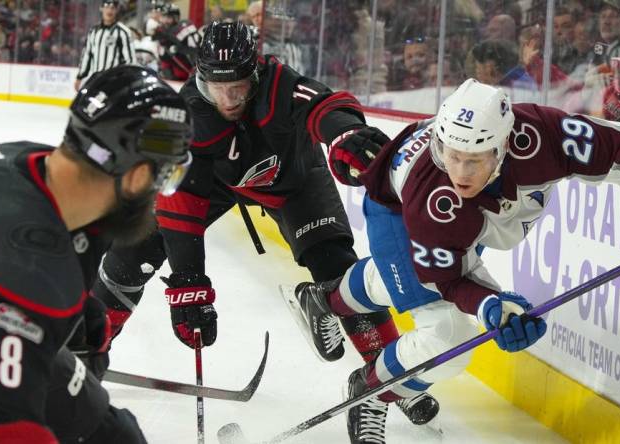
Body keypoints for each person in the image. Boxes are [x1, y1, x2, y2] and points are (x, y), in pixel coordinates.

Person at [286, 79, 620, 444]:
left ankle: (327, 300)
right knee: (448, 336)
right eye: (451, 154)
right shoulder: (436, 196)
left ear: (505, 145)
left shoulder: (544, 134)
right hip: (396, 209)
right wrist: (493, 307)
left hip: (474, 217)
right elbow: (448, 280)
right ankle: (372, 391)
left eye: (474, 158)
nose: (460, 172)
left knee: (403, 278)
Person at [91, 21, 440, 426]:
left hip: (295, 181)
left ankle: (388, 378)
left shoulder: (281, 83)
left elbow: (325, 105)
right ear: (198, 77)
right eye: (215, 87)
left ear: (255, 72)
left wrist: (348, 133)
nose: (227, 98)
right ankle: (86, 346)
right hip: (218, 185)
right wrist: (189, 284)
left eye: (237, 86)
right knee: (133, 248)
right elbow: (179, 202)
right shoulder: (181, 116)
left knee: (336, 267)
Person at [0, 65, 193, 443]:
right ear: (139, 176)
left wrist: (76, 313)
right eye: (165, 178)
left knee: (115, 436)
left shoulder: (27, 165)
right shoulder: (17, 275)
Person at [75, 0, 136, 91]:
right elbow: (87, 55)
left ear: (116, 10)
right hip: (96, 80)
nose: (109, 11)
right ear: (101, 8)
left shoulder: (123, 32)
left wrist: (126, 79)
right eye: (107, 7)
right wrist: (80, 76)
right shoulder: (94, 31)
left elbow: (130, 60)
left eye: (112, 8)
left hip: (114, 81)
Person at [152, 2, 202, 81]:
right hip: (198, 67)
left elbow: (166, 57)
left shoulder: (170, 32)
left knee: (165, 52)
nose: (164, 20)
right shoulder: (187, 23)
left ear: (175, 17)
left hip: (186, 74)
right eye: (164, 17)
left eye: (168, 17)